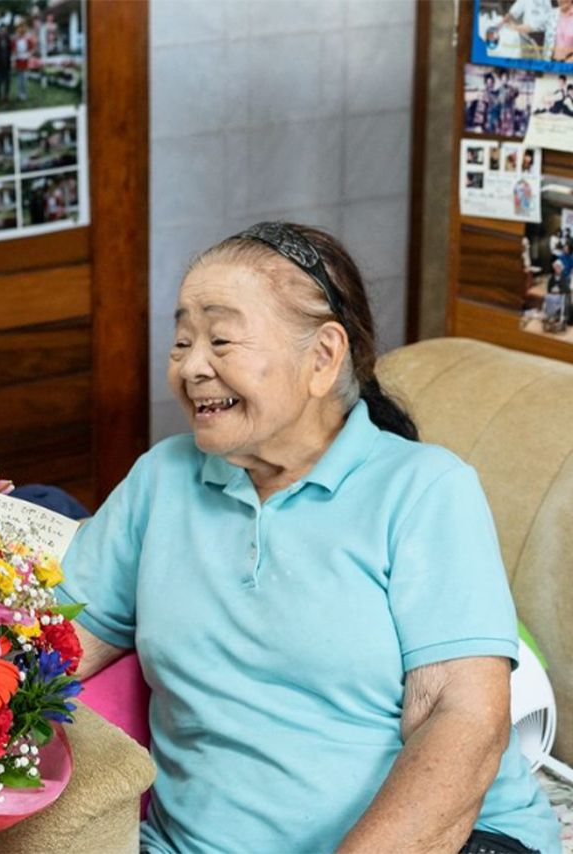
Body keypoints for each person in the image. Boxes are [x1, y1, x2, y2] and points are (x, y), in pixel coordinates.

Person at [60, 222, 562, 854]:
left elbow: (463, 721)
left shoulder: (423, 490)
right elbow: (52, 646)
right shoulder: (160, 481)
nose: (190, 367)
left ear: (323, 357)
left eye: (220, 339)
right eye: (182, 341)